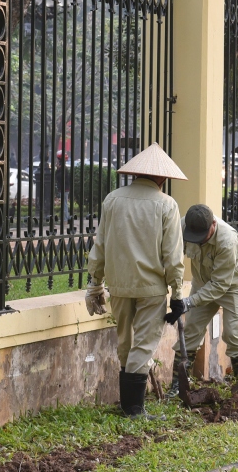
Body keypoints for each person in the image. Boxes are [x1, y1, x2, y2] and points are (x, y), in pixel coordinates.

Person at [85, 143, 186, 417]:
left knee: (125, 342)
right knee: (143, 344)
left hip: (118, 285)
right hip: (151, 287)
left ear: (134, 174)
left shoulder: (113, 199)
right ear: (163, 178)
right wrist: (177, 294)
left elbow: (100, 245)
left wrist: (94, 285)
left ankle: (129, 404)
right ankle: (133, 409)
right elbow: (173, 257)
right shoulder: (167, 205)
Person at [165, 204, 238, 396]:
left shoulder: (227, 240)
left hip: (233, 286)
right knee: (190, 332)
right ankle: (178, 387)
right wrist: (176, 294)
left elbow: (220, 285)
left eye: (203, 235)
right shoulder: (183, 227)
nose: (198, 240)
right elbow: (171, 258)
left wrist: (187, 303)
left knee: (234, 334)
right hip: (203, 283)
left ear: (213, 224)